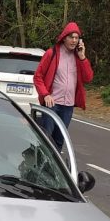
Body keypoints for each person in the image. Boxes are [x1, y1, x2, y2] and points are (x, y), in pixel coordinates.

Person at [33, 21, 93, 151]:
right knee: (47, 139)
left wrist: (83, 57)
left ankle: (54, 170)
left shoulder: (78, 57)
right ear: (64, 37)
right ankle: (40, 167)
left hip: (68, 106)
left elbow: (88, 78)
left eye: (76, 38)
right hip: (52, 103)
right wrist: (45, 94)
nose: (74, 40)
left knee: (59, 141)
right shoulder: (52, 53)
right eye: (71, 37)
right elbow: (38, 77)